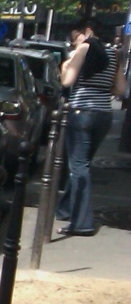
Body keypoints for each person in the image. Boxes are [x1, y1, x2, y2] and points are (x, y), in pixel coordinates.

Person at [55, 19, 123, 237]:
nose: (75, 42)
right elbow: (121, 89)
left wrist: (66, 64)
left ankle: (82, 222)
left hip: (81, 112)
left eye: (76, 37)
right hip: (104, 114)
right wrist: (103, 86)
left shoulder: (84, 49)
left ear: (88, 32)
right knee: (82, 163)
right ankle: (65, 209)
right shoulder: (115, 54)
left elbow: (67, 81)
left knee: (78, 167)